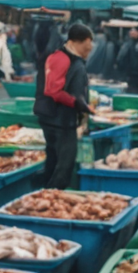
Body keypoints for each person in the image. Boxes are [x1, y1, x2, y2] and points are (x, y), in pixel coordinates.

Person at [35, 22, 96, 191]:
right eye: (89, 42)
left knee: (53, 162)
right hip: (61, 121)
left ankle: (45, 195)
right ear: (78, 41)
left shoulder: (62, 58)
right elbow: (54, 91)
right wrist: (79, 105)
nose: (90, 47)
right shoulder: (62, 58)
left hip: (53, 119)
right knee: (63, 167)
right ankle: (49, 199)